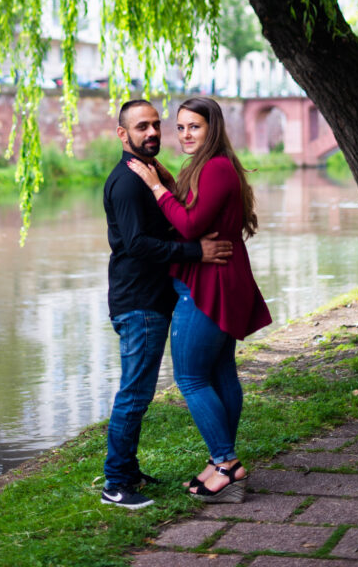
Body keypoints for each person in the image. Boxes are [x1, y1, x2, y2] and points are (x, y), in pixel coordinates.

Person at [128, 96, 271, 504]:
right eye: (181, 127)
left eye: (195, 126)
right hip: (219, 280)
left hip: (207, 285)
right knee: (221, 369)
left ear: (213, 129)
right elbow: (196, 207)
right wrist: (170, 181)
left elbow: (189, 225)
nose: (186, 134)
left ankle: (226, 464)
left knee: (191, 378)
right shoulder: (211, 167)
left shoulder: (216, 169)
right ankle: (220, 460)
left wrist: (156, 187)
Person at [101, 99, 234, 509]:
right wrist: (197, 252)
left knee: (138, 392)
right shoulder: (127, 181)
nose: (153, 133)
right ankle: (116, 483)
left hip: (153, 299)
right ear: (123, 135)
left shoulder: (150, 174)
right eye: (142, 127)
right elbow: (138, 245)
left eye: (157, 125)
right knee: (135, 394)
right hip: (138, 303)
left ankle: (126, 468)